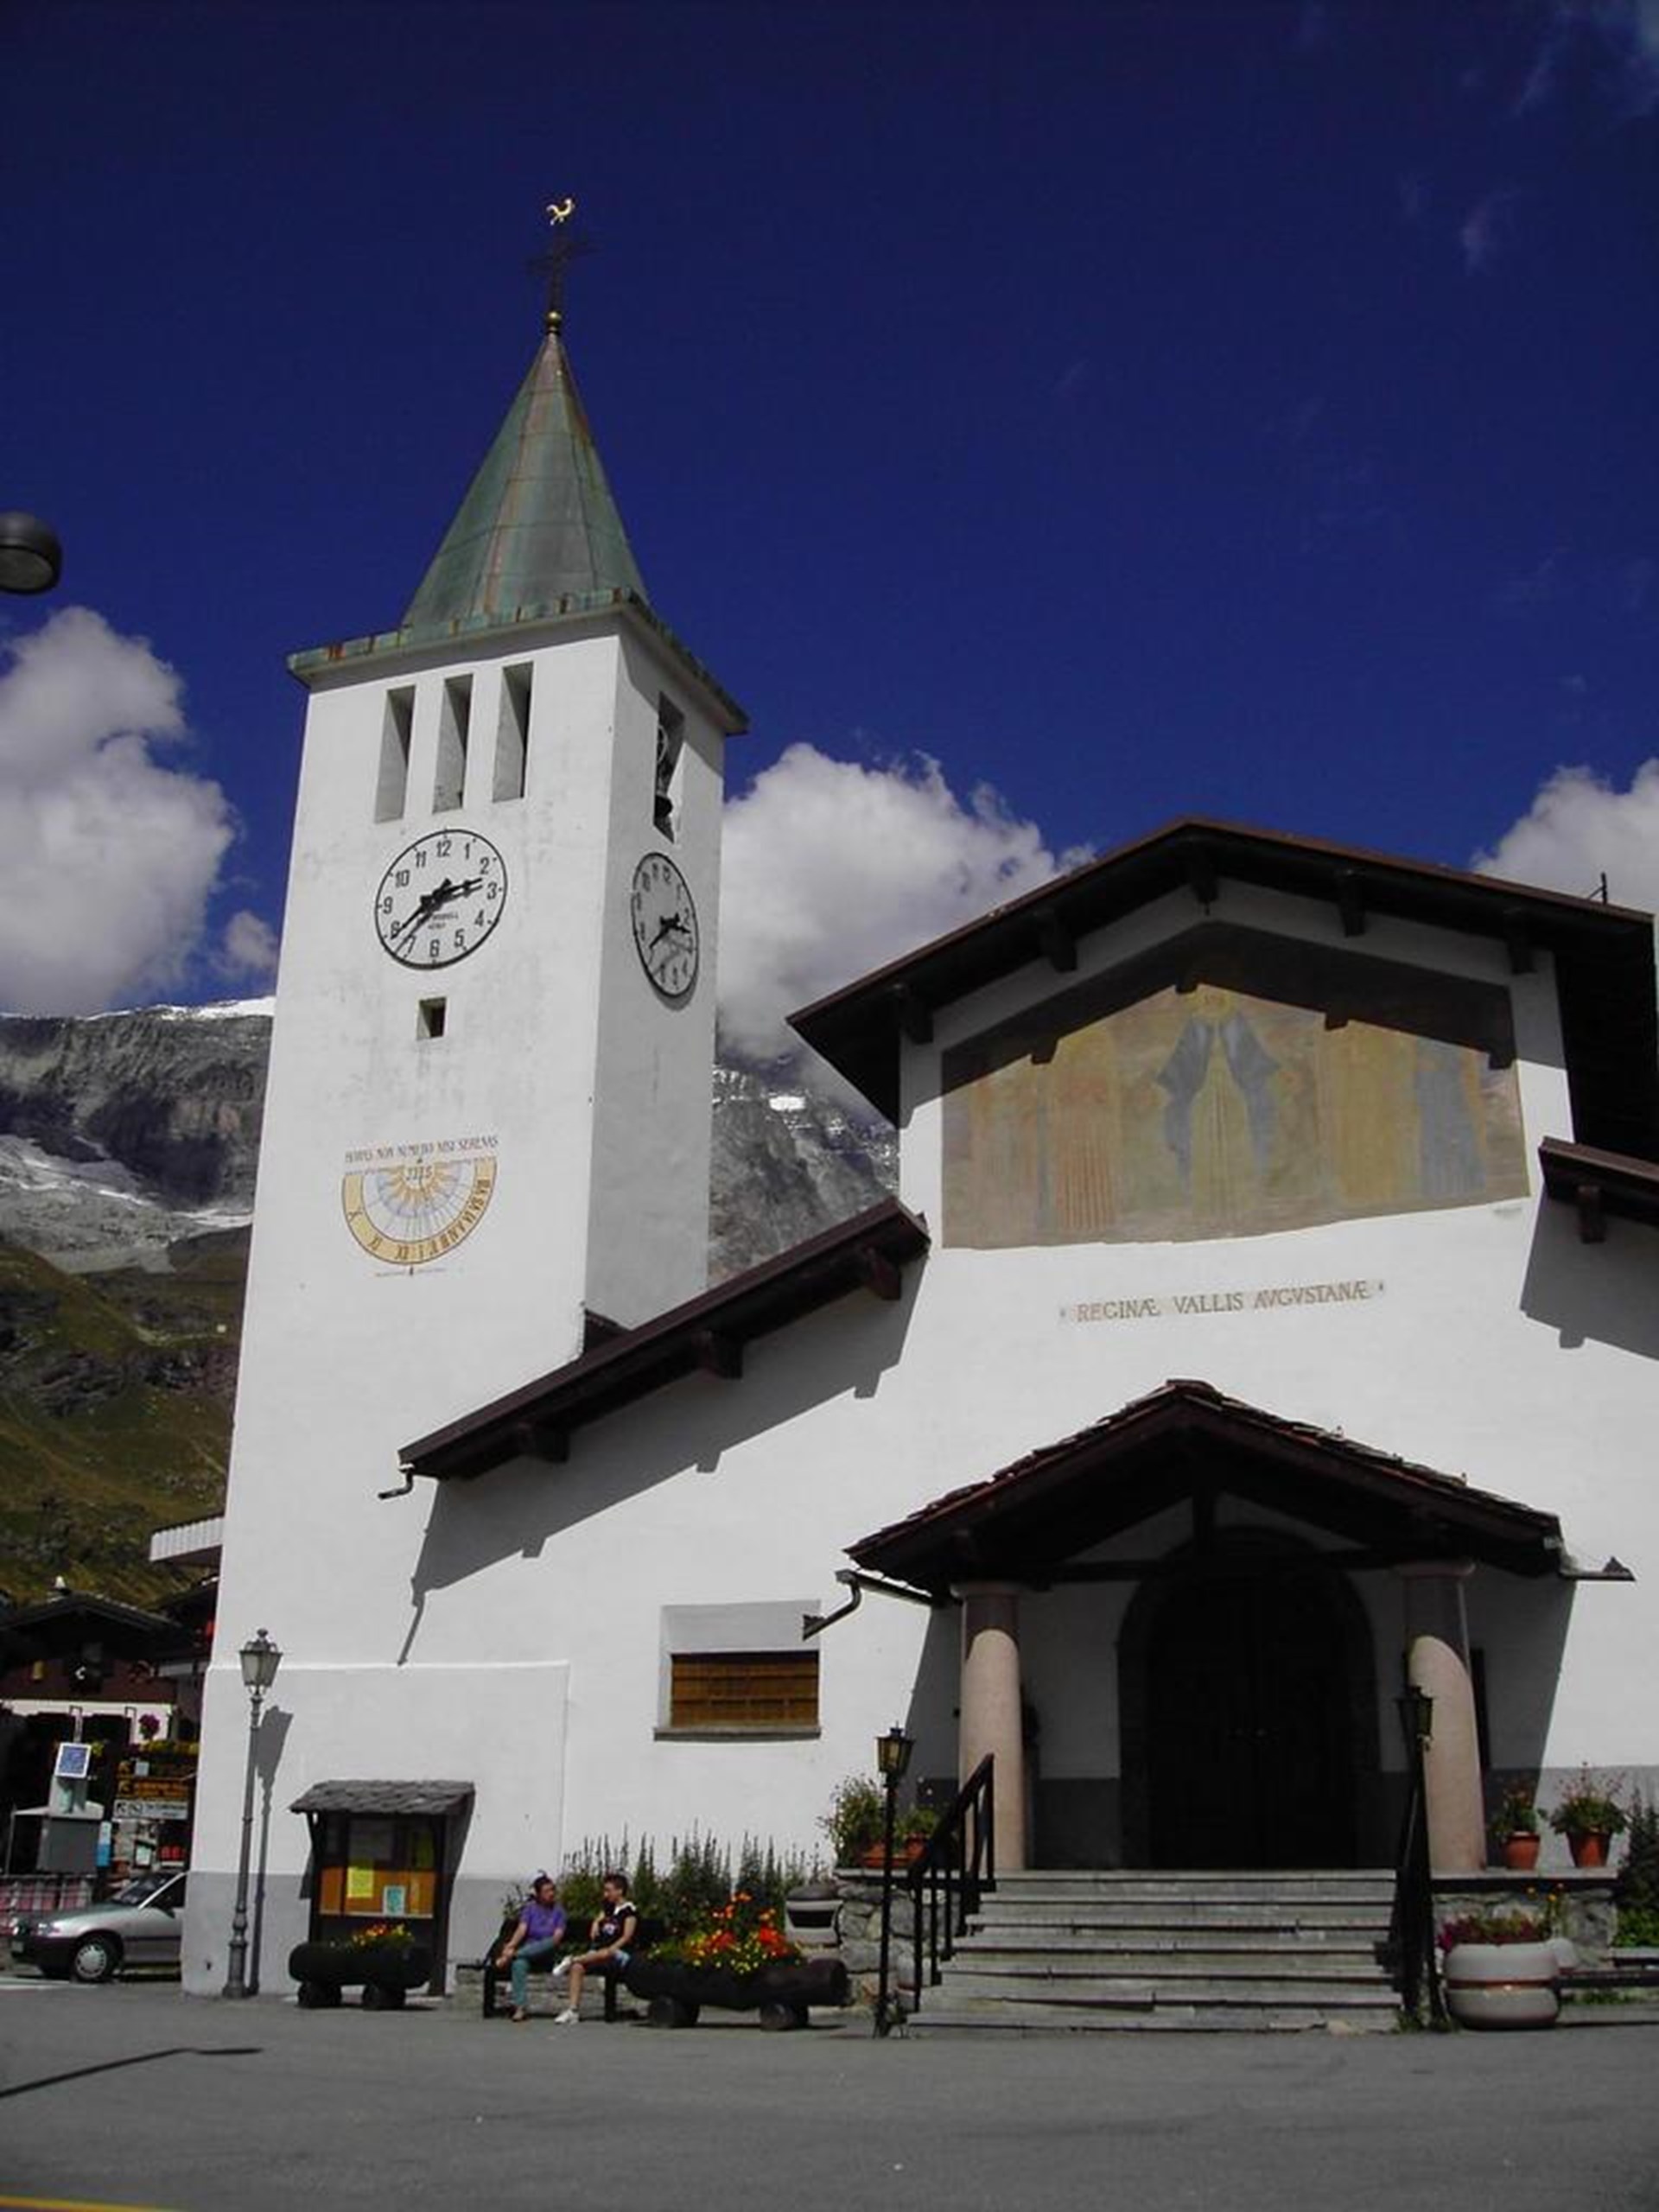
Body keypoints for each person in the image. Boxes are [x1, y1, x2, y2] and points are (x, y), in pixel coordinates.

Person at [552, 1871, 637, 2024]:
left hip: (621, 1953)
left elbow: (627, 1936)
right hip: (599, 1952)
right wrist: (596, 1923)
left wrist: (613, 1948)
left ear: (619, 1891)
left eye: (609, 1890)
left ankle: (571, 1959)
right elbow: (598, 1919)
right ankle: (573, 2010)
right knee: (578, 1968)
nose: (606, 1894)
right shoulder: (608, 1908)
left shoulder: (629, 1911)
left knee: (606, 1953)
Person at [495, 1873, 568, 2021]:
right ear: (539, 1894)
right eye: (547, 1891)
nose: (551, 1894)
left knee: (549, 1942)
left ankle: (513, 1956)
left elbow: (557, 1937)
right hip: (529, 1951)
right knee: (519, 1964)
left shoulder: (559, 1911)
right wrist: (511, 1945)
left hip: (547, 1951)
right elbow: (522, 1930)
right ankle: (520, 2008)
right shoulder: (530, 1909)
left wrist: (510, 1953)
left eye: (552, 1890)